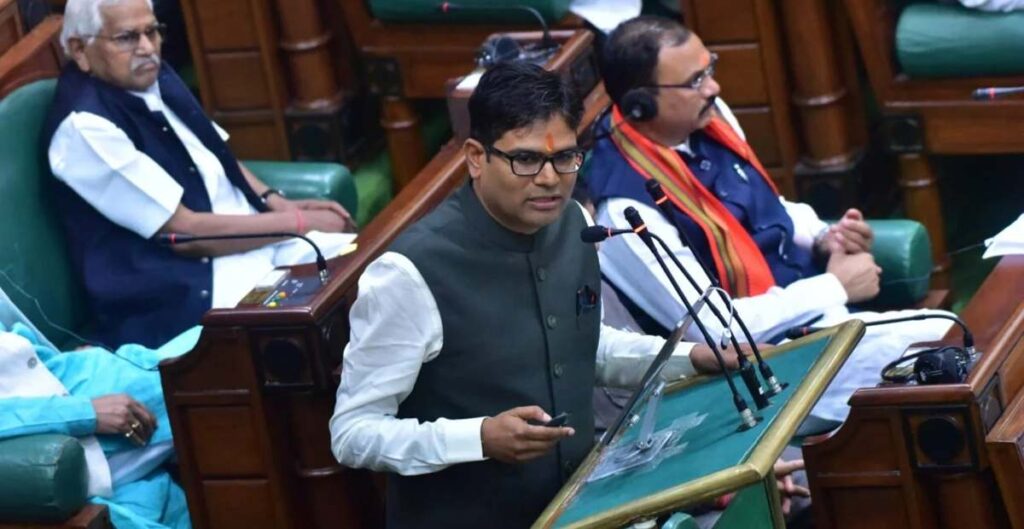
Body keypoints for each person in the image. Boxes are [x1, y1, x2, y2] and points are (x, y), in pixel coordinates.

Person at [328, 62, 755, 529]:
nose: (550, 178)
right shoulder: (407, 273)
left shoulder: (573, 225)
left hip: (582, 509)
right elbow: (353, 433)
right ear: (476, 157)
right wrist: (478, 438)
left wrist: (689, 358)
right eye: (527, 160)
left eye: (565, 157)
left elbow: (582, 348)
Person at [586, 16, 954, 428]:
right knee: (941, 359)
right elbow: (717, 331)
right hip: (764, 371)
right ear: (640, 105)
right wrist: (834, 286)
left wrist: (824, 236)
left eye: (709, 69)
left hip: (819, 320)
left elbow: (767, 204)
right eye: (695, 81)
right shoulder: (626, 211)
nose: (713, 88)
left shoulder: (709, 118)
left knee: (946, 341)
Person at [43, 0, 356, 350]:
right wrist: (297, 223)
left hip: (257, 241)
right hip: (198, 284)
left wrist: (277, 202)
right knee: (315, 335)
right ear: (79, 49)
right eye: (127, 38)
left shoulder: (150, 75)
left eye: (152, 32)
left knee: (365, 266)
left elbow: (216, 154)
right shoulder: (85, 128)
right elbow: (187, 233)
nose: (147, 48)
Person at [0, 286, 198, 529]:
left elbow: (25, 359)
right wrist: (85, 412)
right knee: (228, 352)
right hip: (85, 433)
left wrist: (74, 361)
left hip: (109, 382)